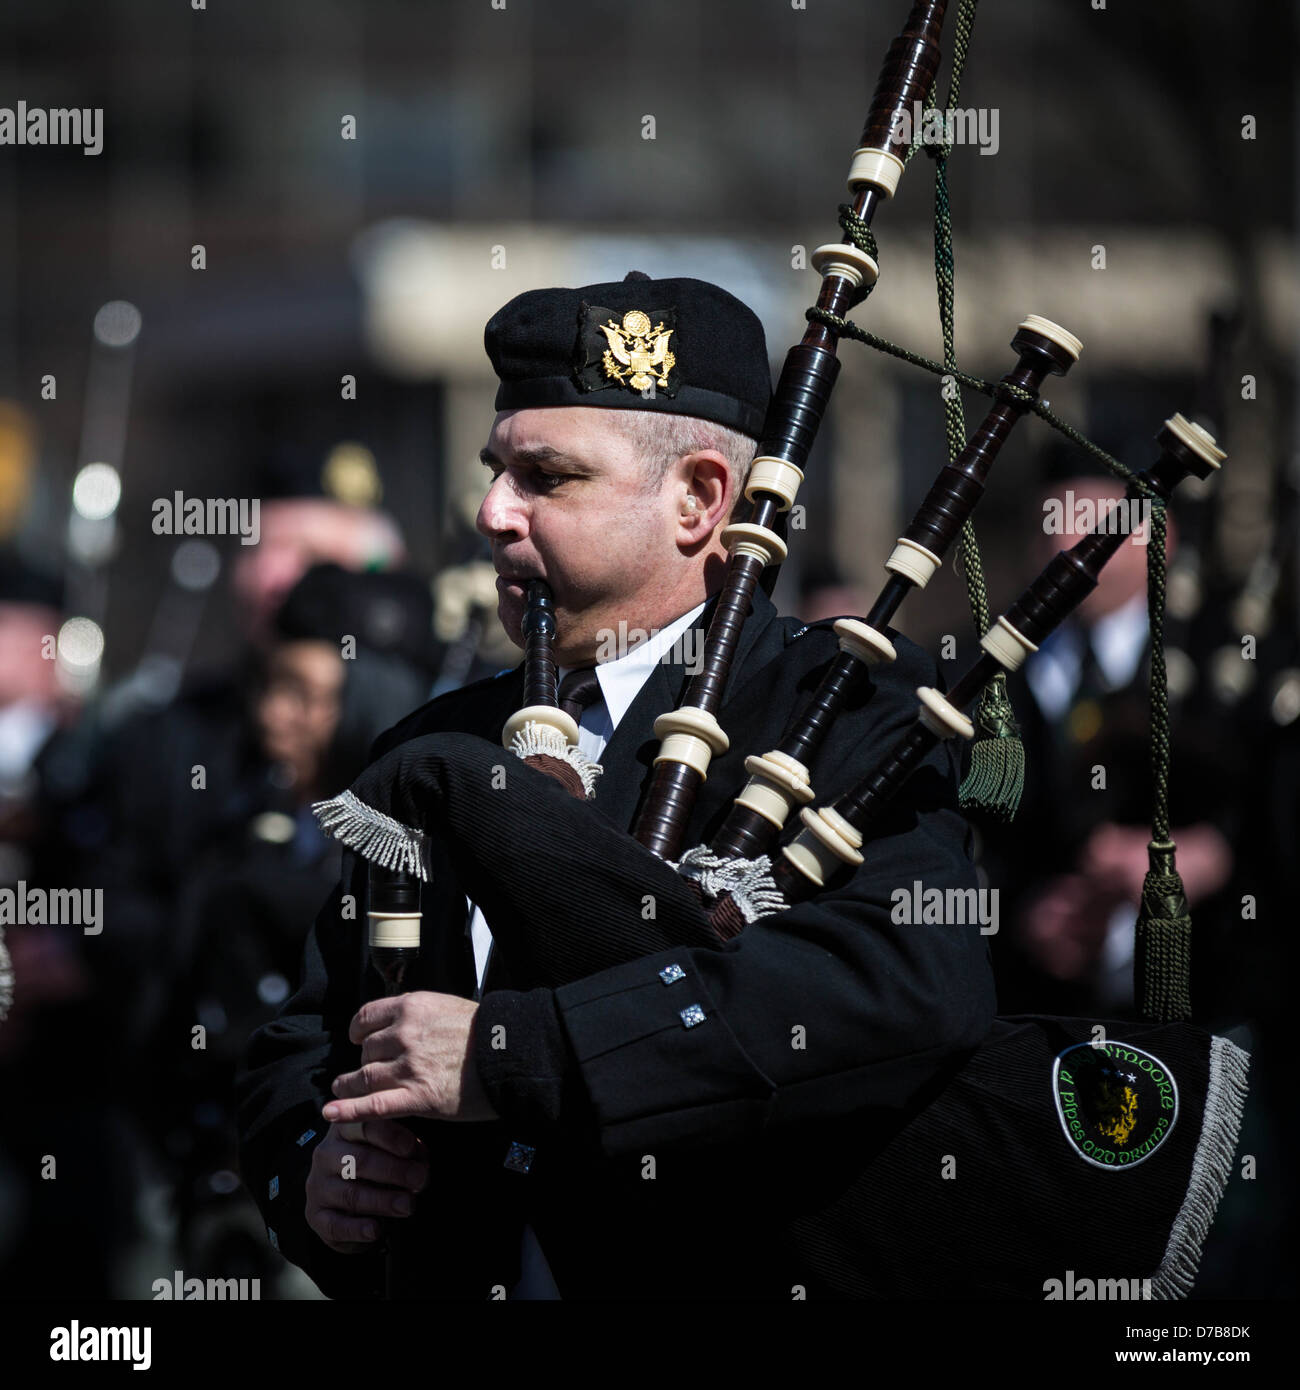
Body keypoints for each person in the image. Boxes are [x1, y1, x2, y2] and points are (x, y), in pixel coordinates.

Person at [236, 271, 996, 1300]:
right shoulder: (436, 739)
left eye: (546, 477)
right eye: (495, 470)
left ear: (697, 500)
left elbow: (898, 990)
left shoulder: (844, 708)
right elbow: (309, 1033)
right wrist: (318, 1173)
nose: (493, 510)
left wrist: (511, 1056)